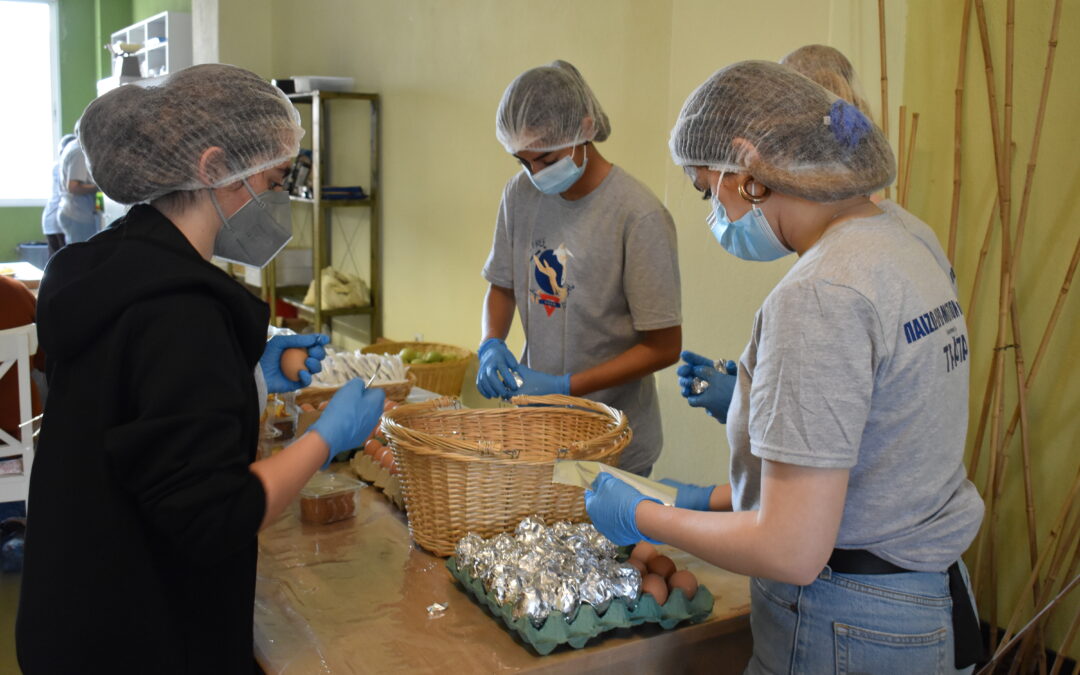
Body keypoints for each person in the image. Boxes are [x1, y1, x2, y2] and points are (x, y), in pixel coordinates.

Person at [585, 61, 984, 674]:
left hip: (848, 622)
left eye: (704, 189)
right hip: (926, 601)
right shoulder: (905, 236)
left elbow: (792, 548)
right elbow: (876, 445)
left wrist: (647, 517)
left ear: (747, 169)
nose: (711, 212)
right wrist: (714, 493)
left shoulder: (820, 293)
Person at [16, 64, 385, 674]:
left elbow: (135, 412)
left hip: (73, 607)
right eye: (273, 180)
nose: (280, 198)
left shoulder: (109, 267)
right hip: (136, 634)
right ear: (214, 168)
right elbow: (215, 517)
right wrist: (325, 439)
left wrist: (246, 372)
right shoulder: (181, 315)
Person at [477, 60, 682, 476]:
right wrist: (490, 344)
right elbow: (503, 285)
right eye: (523, 161)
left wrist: (566, 387)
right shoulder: (520, 195)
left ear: (583, 129)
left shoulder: (637, 215)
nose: (535, 174)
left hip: (614, 436)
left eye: (546, 158)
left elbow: (664, 346)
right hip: (540, 427)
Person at [57, 131, 100, 244]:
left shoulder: (71, 147)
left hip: (72, 211)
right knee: (80, 257)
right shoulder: (79, 152)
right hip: (78, 214)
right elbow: (73, 187)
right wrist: (98, 187)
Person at [41, 134, 77, 258]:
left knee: (56, 261)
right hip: (58, 219)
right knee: (63, 261)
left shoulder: (58, 165)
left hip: (53, 219)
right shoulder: (62, 165)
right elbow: (72, 188)